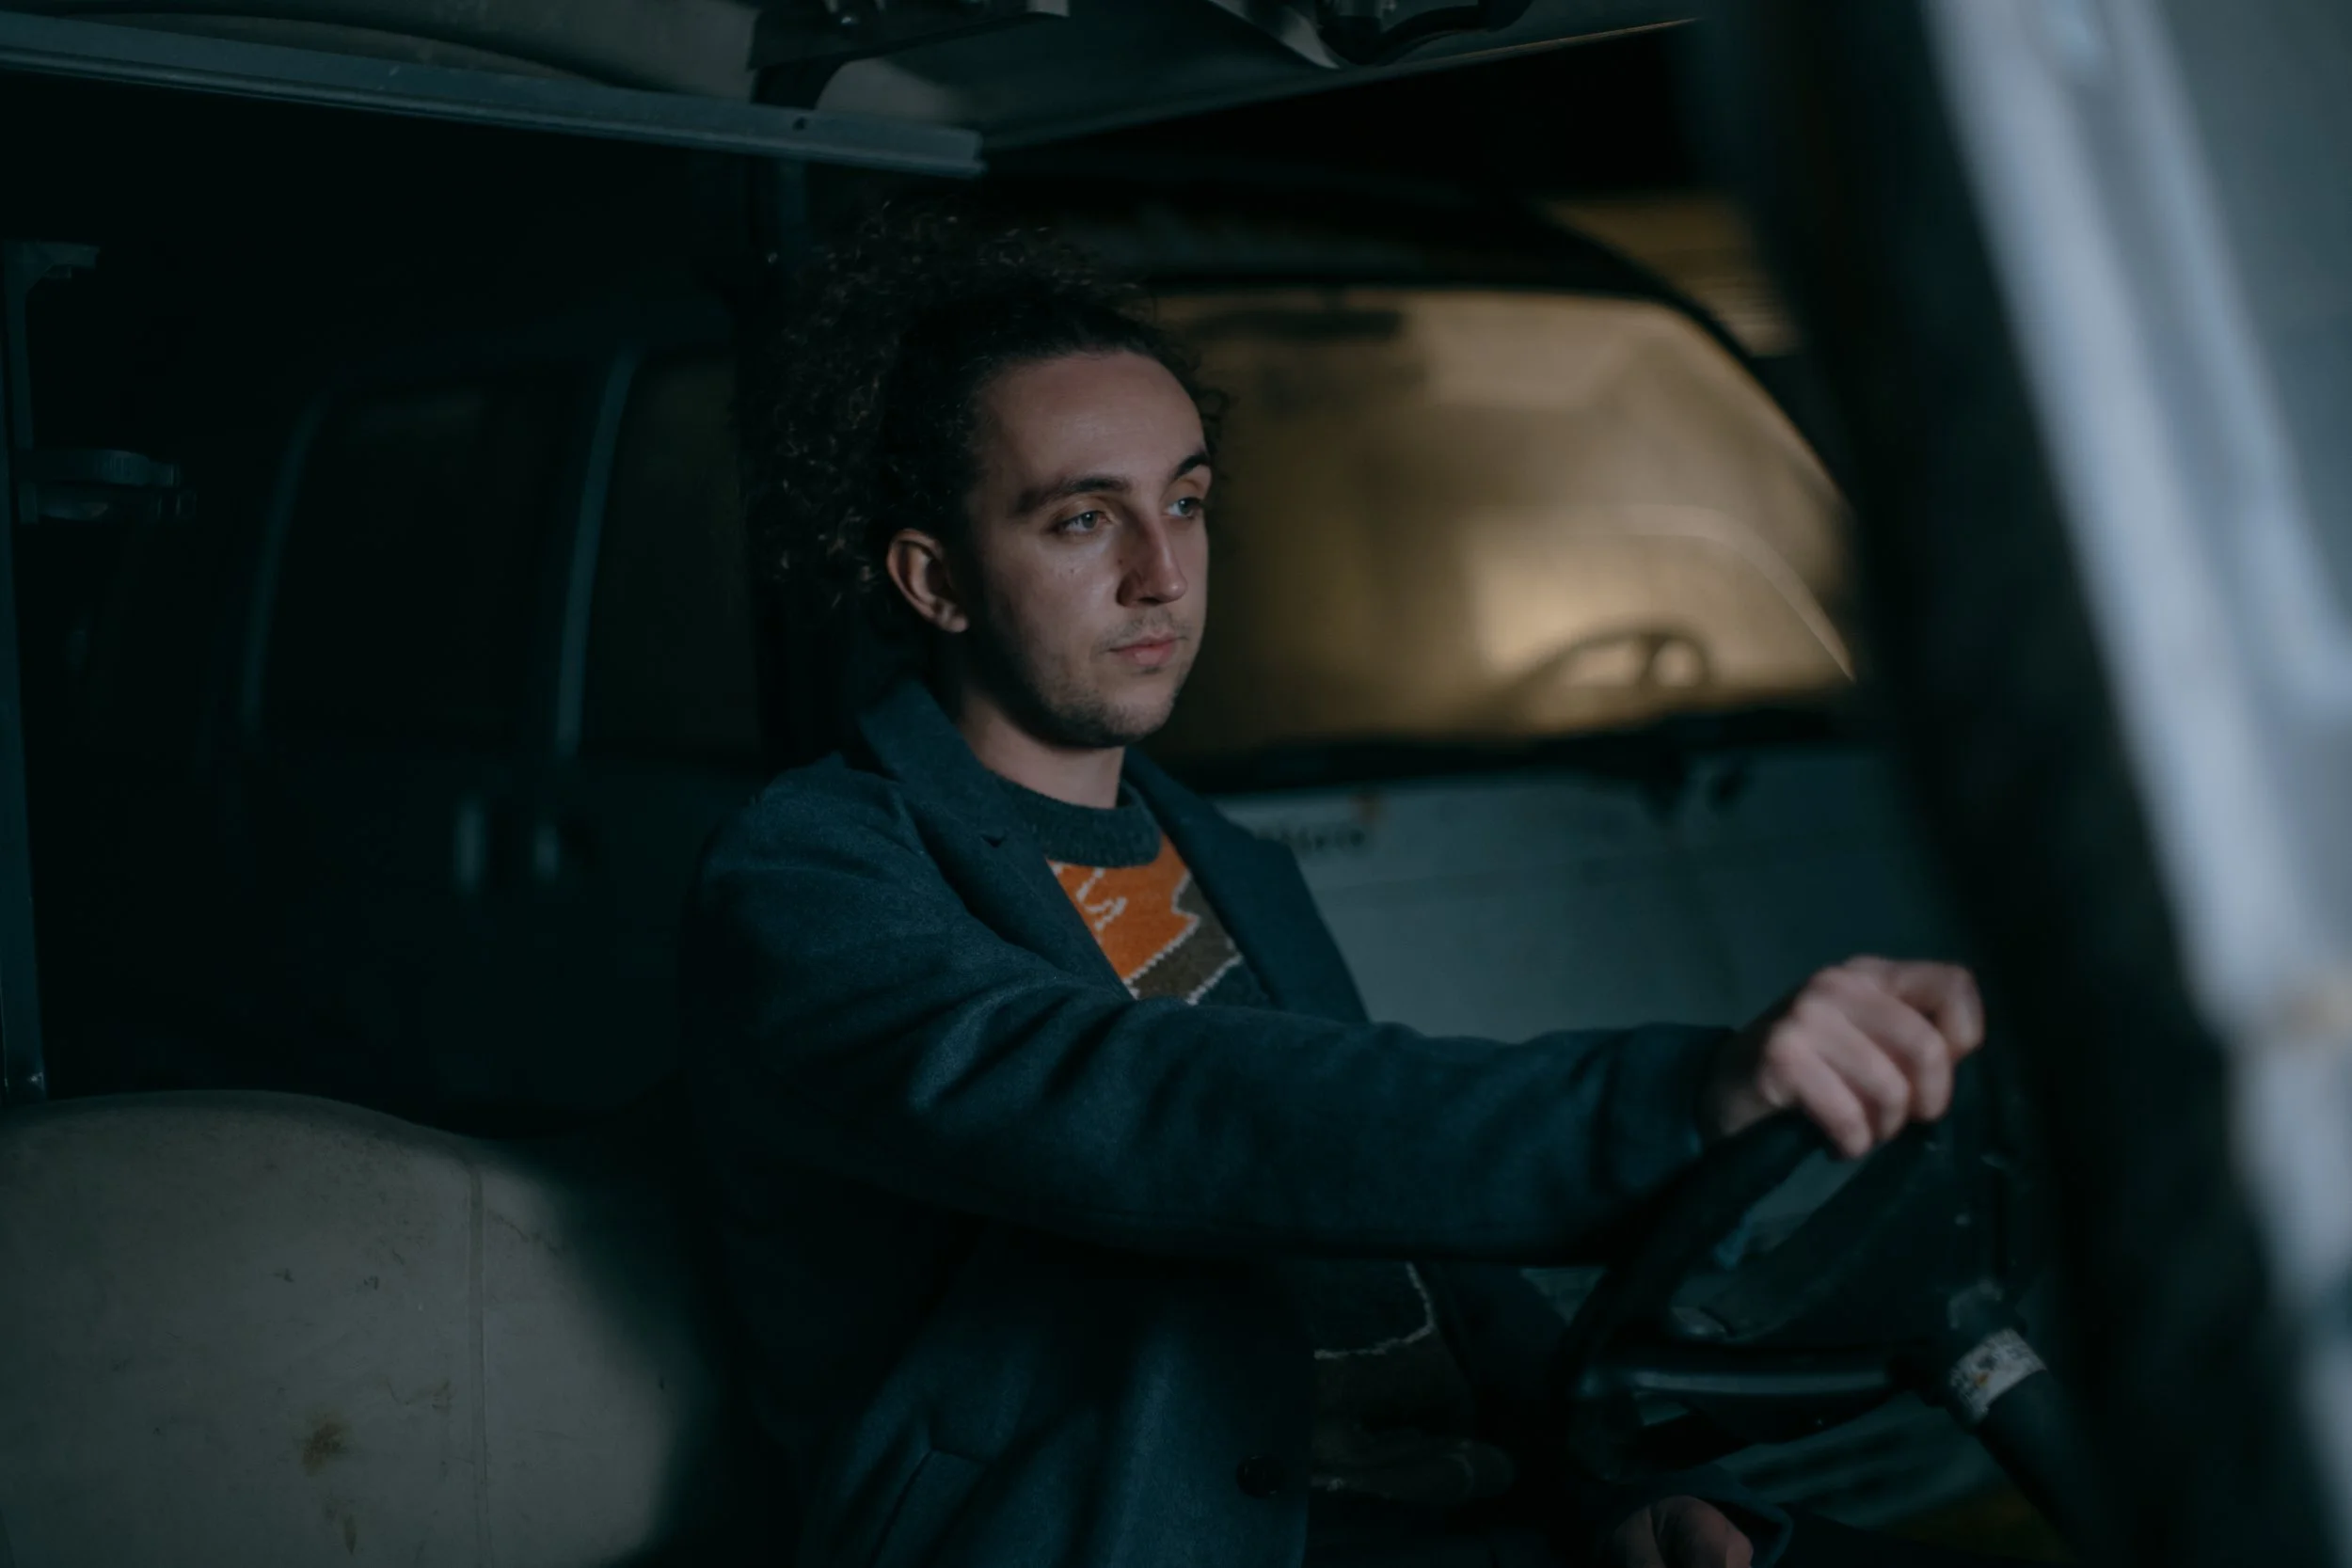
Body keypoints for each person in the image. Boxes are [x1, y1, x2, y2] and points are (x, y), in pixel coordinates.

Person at [682, 208, 1993, 1568]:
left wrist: (1612, 1496)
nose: (1161, 573)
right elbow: (1155, 1109)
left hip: (1471, 1510)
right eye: (1084, 519)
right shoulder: (812, 877)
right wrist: (1671, 1100)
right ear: (935, 578)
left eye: (1184, 501)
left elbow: (1431, 1265)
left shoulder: (1223, 857)